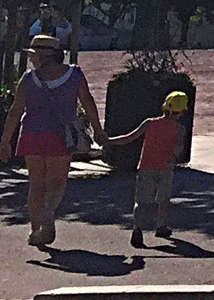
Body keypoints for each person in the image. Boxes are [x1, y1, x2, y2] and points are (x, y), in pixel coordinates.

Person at [0, 34, 104, 248]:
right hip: (60, 136)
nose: (31, 60)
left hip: (31, 135)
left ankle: (36, 229)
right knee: (56, 182)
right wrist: (98, 129)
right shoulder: (74, 75)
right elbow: (87, 102)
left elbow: (15, 111)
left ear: (43, 56)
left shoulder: (28, 79)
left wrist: (5, 141)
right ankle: (48, 212)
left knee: (36, 184)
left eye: (33, 55)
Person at [102, 90, 188, 248]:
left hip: (146, 166)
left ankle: (137, 228)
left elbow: (130, 137)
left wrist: (109, 141)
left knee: (141, 201)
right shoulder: (180, 129)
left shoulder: (150, 123)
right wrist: (173, 157)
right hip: (165, 168)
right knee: (163, 198)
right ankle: (161, 226)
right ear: (181, 111)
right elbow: (178, 147)